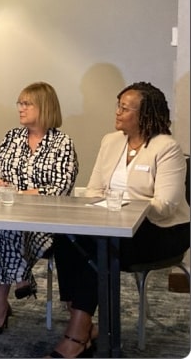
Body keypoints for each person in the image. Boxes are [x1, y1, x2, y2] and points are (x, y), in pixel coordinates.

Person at [49, 81, 190, 358]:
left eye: (125, 108)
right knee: (66, 237)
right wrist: (108, 208)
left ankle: (76, 337)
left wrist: (122, 205)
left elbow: (165, 206)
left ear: (144, 115)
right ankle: (83, 321)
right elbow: (93, 190)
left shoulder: (167, 148)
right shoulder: (110, 141)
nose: (117, 112)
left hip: (162, 231)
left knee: (97, 248)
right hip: (111, 224)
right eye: (118, 105)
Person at [0, 81, 78, 336]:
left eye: (26, 104)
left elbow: (60, 189)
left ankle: (0, 305)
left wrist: (18, 193)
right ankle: (22, 279)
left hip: (46, 221)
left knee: (1, 230)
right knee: (0, 228)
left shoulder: (62, 143)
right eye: (19, 103)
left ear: (44, 107)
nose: (20, 109)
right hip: (10, 215)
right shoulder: (12, 137)